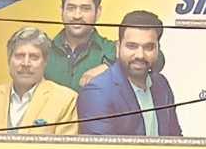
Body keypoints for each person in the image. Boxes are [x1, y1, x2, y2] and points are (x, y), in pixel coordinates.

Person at [75, 10, 183, 141]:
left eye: (148, 47)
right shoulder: (97, 92)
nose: (140, 55)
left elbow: (176, 140)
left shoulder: (161, 84)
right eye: (132, 46)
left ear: (157, 50)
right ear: (118, 47)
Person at [0, 27, 80, 133]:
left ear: (45, 62)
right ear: (9, 60)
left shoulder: (66, 100)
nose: (26, 63)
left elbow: (64, 146)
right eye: (19, 56)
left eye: (34, 57)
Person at [42, 0, 115, 93]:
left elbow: (145, 63)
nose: (77, 15)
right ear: (62, 10)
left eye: (85, 9)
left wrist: (111, 69)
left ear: (98, 12)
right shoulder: (43, 51)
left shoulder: (112, 51)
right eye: (71, 8)